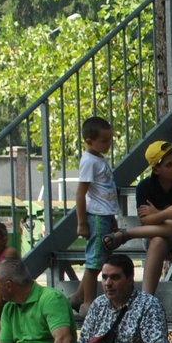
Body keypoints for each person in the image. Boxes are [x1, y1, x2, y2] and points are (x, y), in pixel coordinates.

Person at [104, 141, 172, 313]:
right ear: (156, 170)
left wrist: (157, 213)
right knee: (158, 240)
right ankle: (145, 302)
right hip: (154, 238)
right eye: (169, 164)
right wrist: (166, 214)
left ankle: (128, 234)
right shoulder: (145, 187)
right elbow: (146, 221)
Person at [75, 115, 118, 314]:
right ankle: (88, 302)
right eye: (104, 141)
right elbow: (80, 193)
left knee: (100, 257)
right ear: (89, 141)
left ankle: (77, 296)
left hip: (106, 215)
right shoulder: (89, 161)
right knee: (94, 263)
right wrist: (82, 222)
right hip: (98, 217)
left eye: (109, 140)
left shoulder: (98, 158)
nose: (108, 144)